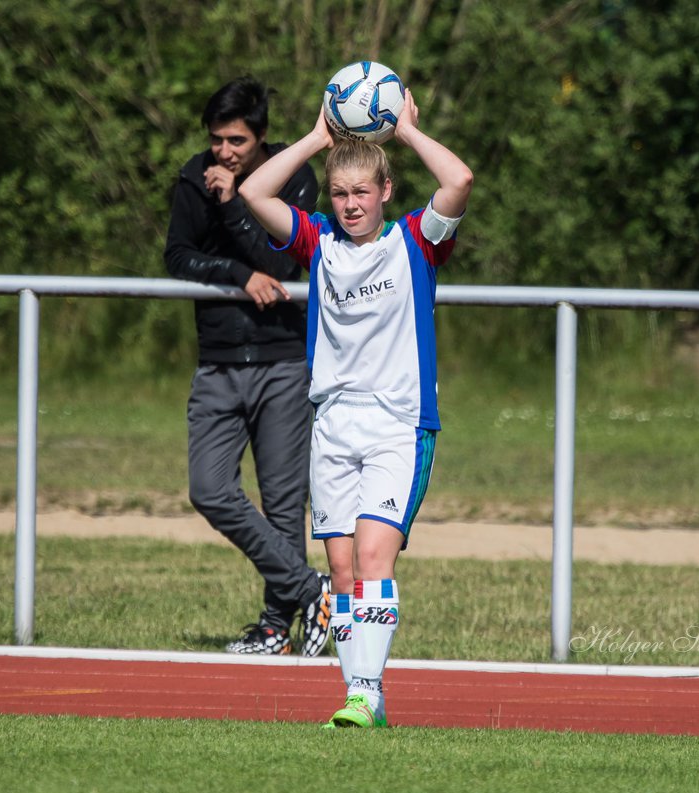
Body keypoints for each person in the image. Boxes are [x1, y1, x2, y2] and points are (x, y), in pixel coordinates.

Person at [240, 89, 473, 727]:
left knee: (374, 559)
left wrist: (404, 131)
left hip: (399, 425)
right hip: (333, 426)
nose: (349, 205)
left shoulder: (417, 242)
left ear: (386, 191)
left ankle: (364, 693)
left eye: (361, 193)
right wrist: (318, 138)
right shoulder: (317, 243)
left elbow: (459, 178)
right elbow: (255, 194)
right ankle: (362, 693)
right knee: (341, 569)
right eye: (340, 194)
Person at [164, 76, 330, 657]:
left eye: (236, 141)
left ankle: (273, 627)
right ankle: (315, 592)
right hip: (218, 362)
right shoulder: (193, 177)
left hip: (285, 362)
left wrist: (234, 203)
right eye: (216, 140)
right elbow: (177, 256)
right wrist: (235, 275)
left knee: (285, 506)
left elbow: (284, 262)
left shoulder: (295, 175)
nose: (223, 152)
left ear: (260, 139)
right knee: (209, 490)